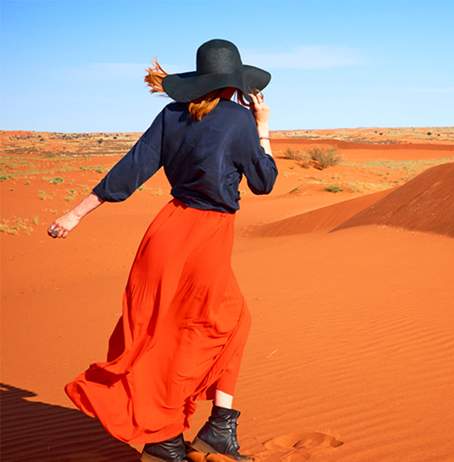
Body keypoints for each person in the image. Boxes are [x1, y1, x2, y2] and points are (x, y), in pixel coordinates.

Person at [51, 39, 276, 462]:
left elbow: (130, 170)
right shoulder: (240, 120)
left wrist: (75, 214)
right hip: (206, 237)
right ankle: (200, 431)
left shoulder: (172, 114)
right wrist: (262, 126)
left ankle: (190, 433)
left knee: (166, 332)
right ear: (236, 84)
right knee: (219, 325)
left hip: (166, 232)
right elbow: (264, 182)